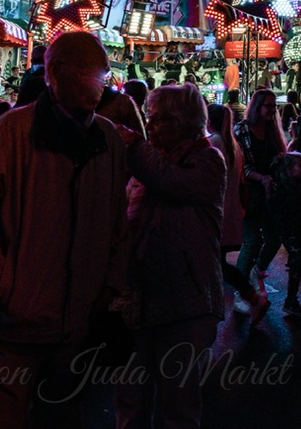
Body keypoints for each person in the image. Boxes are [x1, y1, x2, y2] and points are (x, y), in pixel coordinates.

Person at [0, 31, 129, 428]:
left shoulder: (108, 140)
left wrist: (107, 285)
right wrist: (0, 287)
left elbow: (118, 222)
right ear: (58, 73)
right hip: (7, 326)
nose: (101, 83)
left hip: (73, 323)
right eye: (92, 73)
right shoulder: (11, 131)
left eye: (103, 74)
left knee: (61, 417)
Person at [113, 82, 226, 429]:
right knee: (129, 399)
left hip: (186, 302)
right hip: (139, 298)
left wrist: (134, 145)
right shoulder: (149, 162)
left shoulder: (207, 160)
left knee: (178, 406)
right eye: (150, 117)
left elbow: (169, 181)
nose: (150, 125)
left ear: (184, 121)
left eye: (158, 118)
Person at [207, 102, 269, 324]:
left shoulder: (212, 144)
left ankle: (251, 297)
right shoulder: (234, 145)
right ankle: (249, 298)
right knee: (217, 262)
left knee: (215, 263)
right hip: (230, 212)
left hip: (215, 213)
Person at [233, 88, 289, 298]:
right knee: (252, 241)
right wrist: (261, 178)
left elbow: (279, 159)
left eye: (274, 106)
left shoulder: (272, 130)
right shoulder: (242, 130)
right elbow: (239, 165)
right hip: (249, 192)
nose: (272, 110)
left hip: (269, 193)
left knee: (274, 238)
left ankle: (256, 272)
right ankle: (241, 291)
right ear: (257, 106)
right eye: (268, 106)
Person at [259, 150, 301, 318]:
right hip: (287, 229)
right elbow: (274, 209)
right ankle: (291, 300)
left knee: (297, 261)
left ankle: (291, 299)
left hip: (298, 228)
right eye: (300, 166)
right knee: (297, 259)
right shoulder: (282, 187)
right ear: (289, 169)